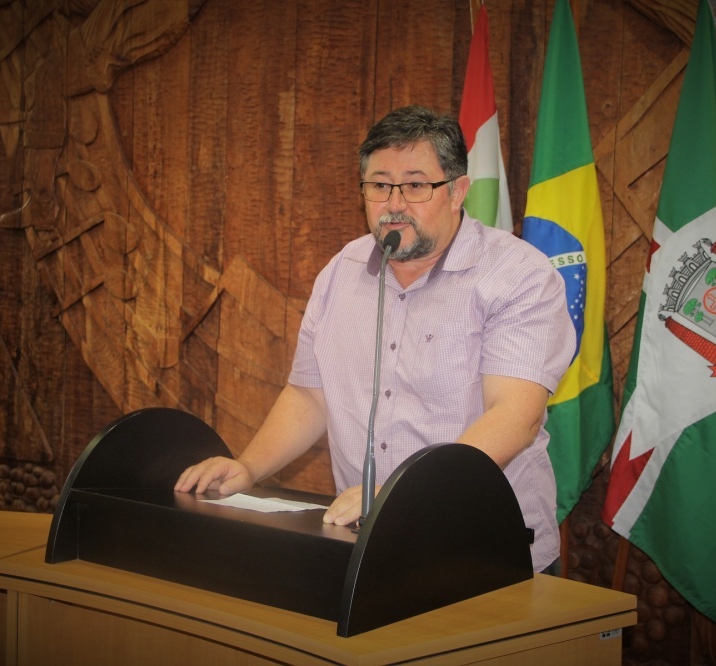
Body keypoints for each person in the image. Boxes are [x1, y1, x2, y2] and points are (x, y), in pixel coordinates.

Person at [176, 105, 575, 573]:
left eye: (416, 185)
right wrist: (248, 467)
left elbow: (515, 415)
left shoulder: (518, 275)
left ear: (457, 192)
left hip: (484, 549)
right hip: (364, 545)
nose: (395, 204)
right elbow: (310, 396)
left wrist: (405, 496)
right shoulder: (341, 272)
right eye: (380, 185)